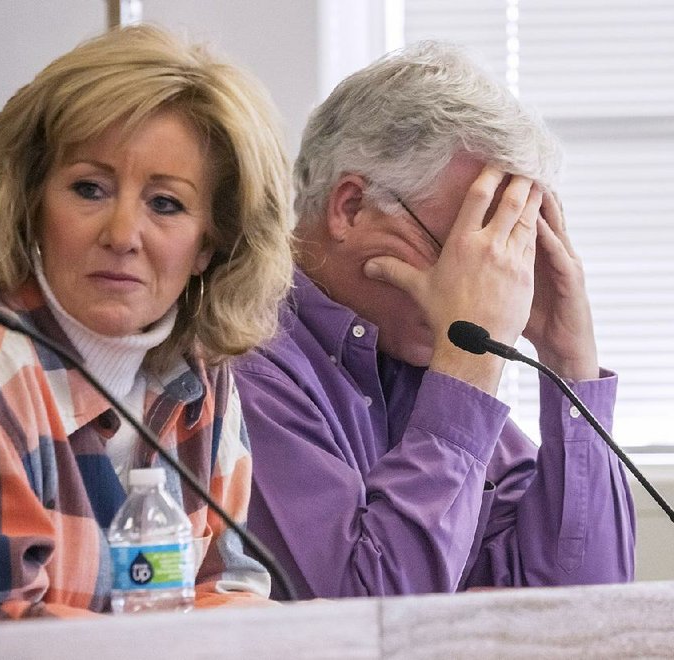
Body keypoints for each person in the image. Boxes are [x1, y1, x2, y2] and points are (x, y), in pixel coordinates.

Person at [0, 24, 292, 619]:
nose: (122, 235)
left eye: (165, 203)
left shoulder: (199, 376)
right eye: (89, 189)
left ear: (211, 242)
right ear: (31, 204)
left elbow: (228, 592)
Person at [234, 40, 635, 600]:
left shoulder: (419, 358)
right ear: (350, 207)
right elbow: (369, 621)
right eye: (464, 253)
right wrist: (468, 366)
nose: (486, 290)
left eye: (500, 258)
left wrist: (570, 359)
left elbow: (585, 607)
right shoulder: (243, 361)